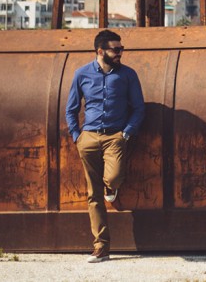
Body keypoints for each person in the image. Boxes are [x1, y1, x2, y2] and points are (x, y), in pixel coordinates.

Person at [66, 29, 145, 263]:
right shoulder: (81, 74)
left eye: (121, 49)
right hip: (88, 138)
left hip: (115, 137)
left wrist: (126, 134)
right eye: (116, 49)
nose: (121, 53)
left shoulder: (128, 75)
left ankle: (112, 187)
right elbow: (71, 108)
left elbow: (139, 108)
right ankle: (101, 247)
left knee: (114, 177)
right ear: (100, 51)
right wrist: (76, 136)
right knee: (94, 195)